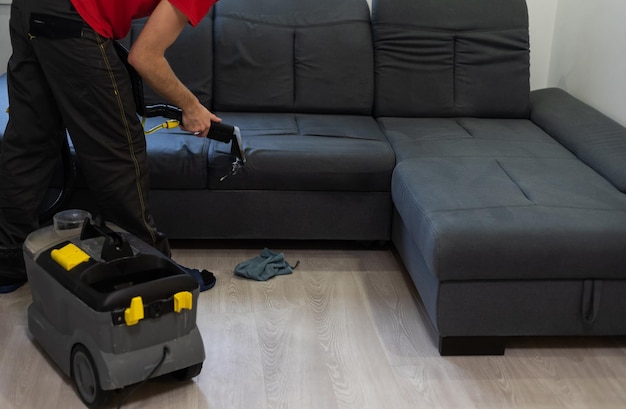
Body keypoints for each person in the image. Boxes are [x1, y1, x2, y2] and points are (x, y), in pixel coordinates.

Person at [0, 0, 220, 293]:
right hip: (72, 16)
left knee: (29, 143)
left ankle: (8, 261)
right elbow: (145, 57)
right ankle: (148, 270)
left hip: (29, 7)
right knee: (119, 152)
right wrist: (191, 107)